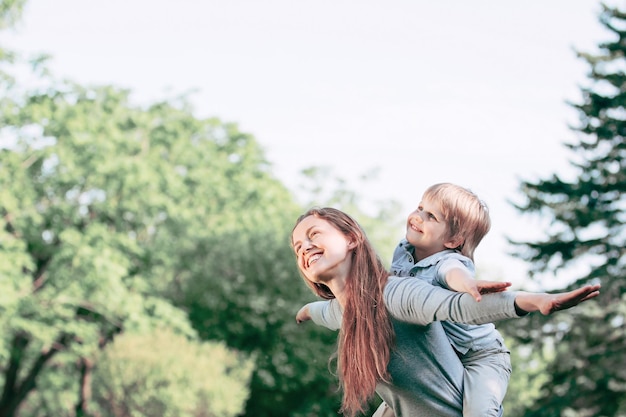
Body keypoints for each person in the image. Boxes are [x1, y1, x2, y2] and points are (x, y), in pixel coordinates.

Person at [292, 207, 600, 417]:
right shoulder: (343, 313)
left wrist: (533, 301)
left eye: (314, 234)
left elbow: (459, 306)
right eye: (297, 247)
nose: (304, 247)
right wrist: (305, 312)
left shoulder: (396, 293)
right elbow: (323, 312)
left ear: (351, 238)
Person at [302, 183, 510, 417]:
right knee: (396, 401)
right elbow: (340, 309)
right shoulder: (404, 251)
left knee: (479, 411)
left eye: (431, 216)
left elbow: (454, 275)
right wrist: (308, 311)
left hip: (480, 356)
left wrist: (468, 285)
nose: (418, 217)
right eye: (420, 207)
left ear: (453, 240)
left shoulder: (450, 262)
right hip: (444, 354)